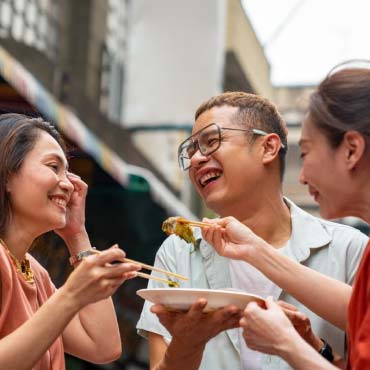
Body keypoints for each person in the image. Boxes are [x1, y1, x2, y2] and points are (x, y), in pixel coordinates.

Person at [136, 92, 368, 370]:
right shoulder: (178, 251)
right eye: (190, 152)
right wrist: (188, 342)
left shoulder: (349, 249)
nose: (197, 159)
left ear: (268, 148)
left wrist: (313, 347)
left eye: (211, 142)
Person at [201, 64, 370, 369]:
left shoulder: (353, 247)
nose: (301, 177)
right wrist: (256, 250)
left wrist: (286, 345)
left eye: (305, 153)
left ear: (351, 150)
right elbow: (357, 309)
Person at [0, 113, 141, 370]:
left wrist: (77, 235)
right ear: (8, 174)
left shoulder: (35, 273)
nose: (68, 184)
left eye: (68, 172)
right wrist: (71, 295)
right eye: (53, 167)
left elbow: (103, 347)